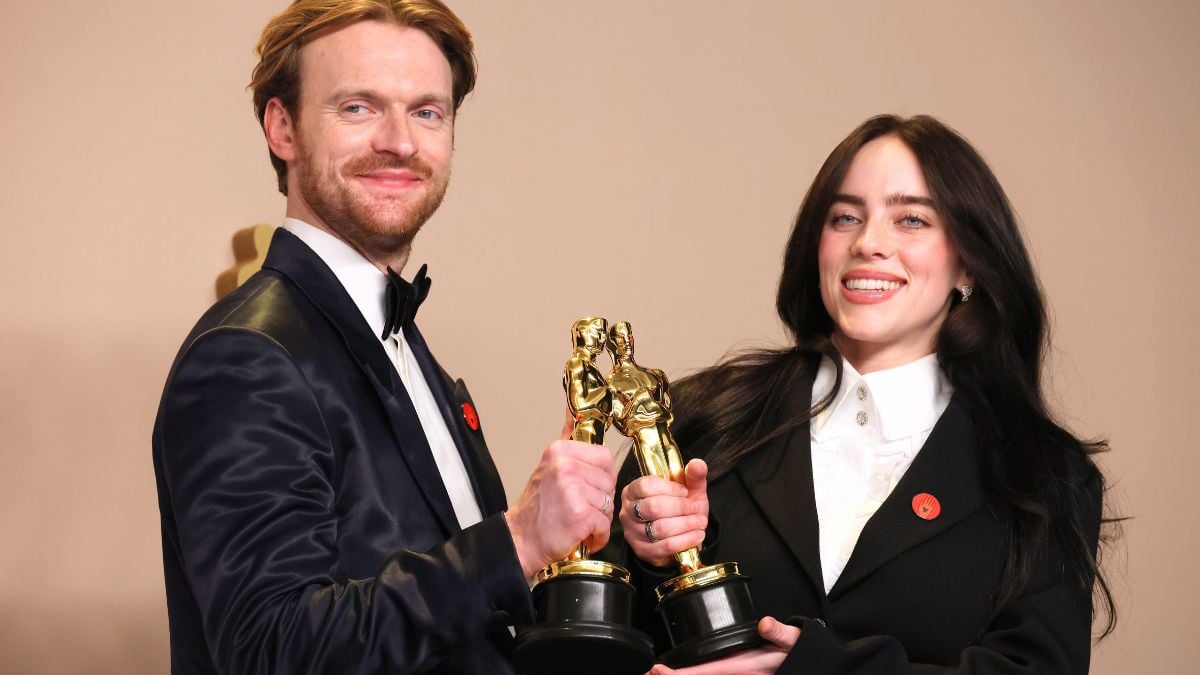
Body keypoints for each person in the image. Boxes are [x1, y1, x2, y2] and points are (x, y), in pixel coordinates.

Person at [151, 2, 617, 672]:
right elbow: (269, 649)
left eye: (427, 111)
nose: (400, 141)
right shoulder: (245, 357)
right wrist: (514, 538)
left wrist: (608, 545)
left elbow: (468, 630)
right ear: (281, 127)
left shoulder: (399, 338)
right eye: (359, 108)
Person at [607, 114, 1117, 674]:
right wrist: (650, 558)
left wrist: (814, 670)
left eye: (912, 220)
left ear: (967, 262)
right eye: (845, 217)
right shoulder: (699, 418)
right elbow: (590, 648)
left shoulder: (1044, 473)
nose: (869, 243)